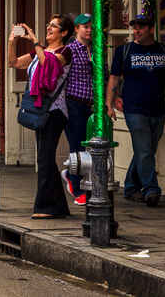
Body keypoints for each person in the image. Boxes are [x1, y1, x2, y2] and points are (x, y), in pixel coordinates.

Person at [106, 13, 165, 207]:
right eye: (134, 27)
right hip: (134, 109)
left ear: (151, 28)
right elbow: (114, 78)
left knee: (145, 150)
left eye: (141, 27)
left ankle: (131, 186)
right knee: (145, 150)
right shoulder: (125, 51)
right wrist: (110, 103)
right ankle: (151, 189)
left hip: (158, 109)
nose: (136, 31)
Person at [9, 14, 75, 219]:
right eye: (48, 24)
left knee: (45, 158)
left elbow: (49, 65)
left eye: (53, 26)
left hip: (55, 112)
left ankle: (46, 207)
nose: (49, 28)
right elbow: (14, 63)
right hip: (41, 109)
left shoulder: (66, 51)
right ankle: (58, 207)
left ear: (63, 33)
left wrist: (36, 41)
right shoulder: (40, 51)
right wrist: (13, 42)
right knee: (45, 158)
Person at [61, 13, 95, 205]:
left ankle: (74, 176)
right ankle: (76, 186)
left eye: (91, 27)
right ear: (76, 29)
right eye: (85, 27)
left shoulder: (95, 49)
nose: (89, 30)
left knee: (91, 147)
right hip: (73, 103)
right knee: (77, 146)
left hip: (91, 105)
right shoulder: (71, 49)